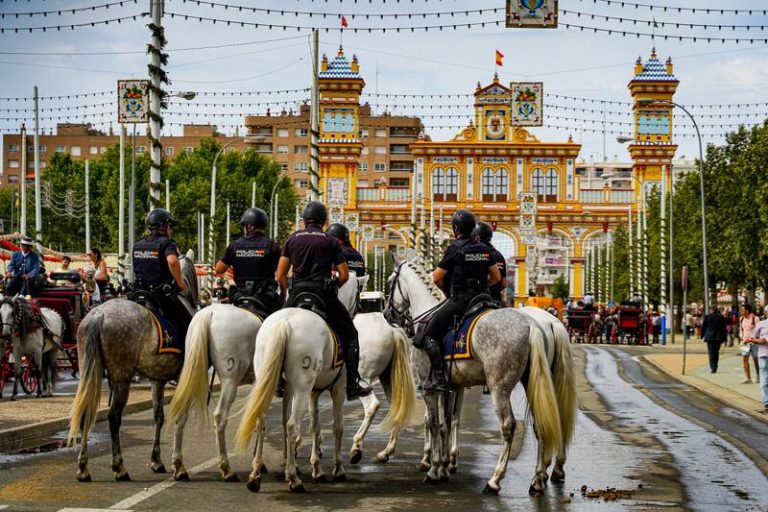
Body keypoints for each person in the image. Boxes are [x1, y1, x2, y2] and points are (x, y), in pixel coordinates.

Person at [277, 201, 371, 401]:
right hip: (322, 294)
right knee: (351, 334)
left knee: (275, 328)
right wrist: (333, 285)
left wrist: (288, 289)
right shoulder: (330, 241)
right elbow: (345, 275)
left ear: (304, 220)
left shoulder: (292, 239)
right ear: (324, 221)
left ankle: (277, 380)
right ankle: (353, 384)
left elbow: (280, 275)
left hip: (297, 294)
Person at [416, 209, 501, 394]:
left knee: (429, 334)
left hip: (461, 300)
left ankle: (438, 377)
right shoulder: (484, 249)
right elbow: (496, 277)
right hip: (484, 299)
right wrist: (481, 284)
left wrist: (447, 292)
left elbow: (437, 278)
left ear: (455, 228)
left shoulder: (455, 248)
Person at [131, 208, 192, 343]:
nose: (171, 230)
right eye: (170, 226)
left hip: (137, 294)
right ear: (163, 226)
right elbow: (172, 260)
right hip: (159, 296)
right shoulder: (167, 243)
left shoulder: (137, 245)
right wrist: (180, 282)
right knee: (189, 324)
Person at [214, 207, 282, 315]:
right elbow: (282, 273)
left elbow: (219, 269)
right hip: (264, 298)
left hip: (240, 297)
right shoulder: (272, 247)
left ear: (249, 226)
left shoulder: (234, 246)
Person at [472, 220, 507, 304]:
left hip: (476, 299)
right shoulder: (499, 255)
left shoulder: (474, 252)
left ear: (477, 236)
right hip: (496, 300)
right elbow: (504, 283)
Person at [746, 304, 768, 414]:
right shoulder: (761, 324)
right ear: (765, 313)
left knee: (765, 380)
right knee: (764, 380)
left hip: (763, 354)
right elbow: (753, 337)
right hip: (763, 355)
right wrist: (759, 340)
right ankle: (767, 404)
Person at [701, 306, 727, 373]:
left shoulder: (707, 316)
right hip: (718, 337)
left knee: (711, 352)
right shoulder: (721, 317)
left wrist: (702, 335)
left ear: (711, 310)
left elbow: (704, 326)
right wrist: (724, 338)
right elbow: (723, 328)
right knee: (716, 352)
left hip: (709, 337)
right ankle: (715, 366)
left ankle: (713, 367)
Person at [739, 304, 761, 384]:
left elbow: (758, 331)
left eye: (742, 310)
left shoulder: (755, 318)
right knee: (745, 359)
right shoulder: (741, 319)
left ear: (747, 311)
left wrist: (751, 339)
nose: (741, 311)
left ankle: (759, 376)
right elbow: (741, 330)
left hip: (754, 342)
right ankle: (748, 378)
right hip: (744, 343)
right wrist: (742, 338)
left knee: (756, 360)